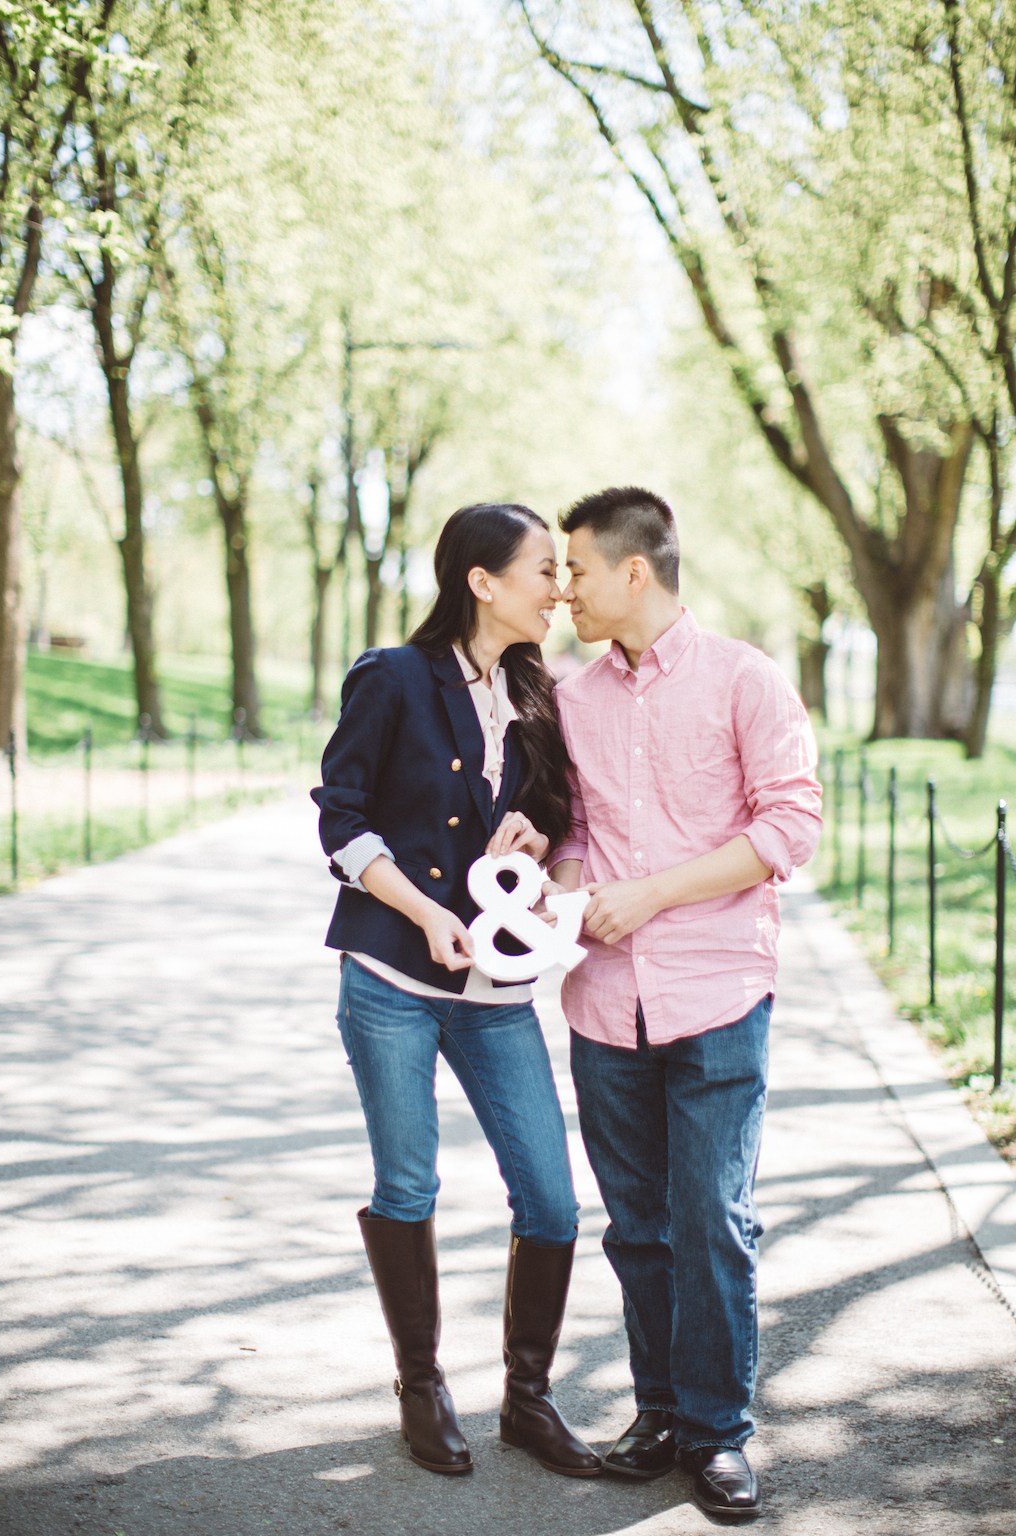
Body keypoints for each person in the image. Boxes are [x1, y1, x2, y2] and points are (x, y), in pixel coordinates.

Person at [547, 486, 822, 1519]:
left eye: (575, 569)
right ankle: (658, 1411)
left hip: (716, 989)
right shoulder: (570, 699)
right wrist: (569, 877)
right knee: (638, 1224)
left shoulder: (746, 680)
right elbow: (568, 825)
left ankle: (716, 1434)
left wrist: (651, 894)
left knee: (712, 1218)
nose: (561, 588)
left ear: (634, 571)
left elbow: (790, 826)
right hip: (603, 1004)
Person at [311, 502, 601, 1481]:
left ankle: (527, 1400)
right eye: (540, 570)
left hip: (494, 988)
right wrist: (422, 911)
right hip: (392, 972)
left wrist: (532, 847)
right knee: (408, 1184)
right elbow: (340, 817)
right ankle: (422, 1388)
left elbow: (560, 831)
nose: (557, 588)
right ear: (480, 582)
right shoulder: (391, 677)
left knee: (553, 1203)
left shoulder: (539, 692)